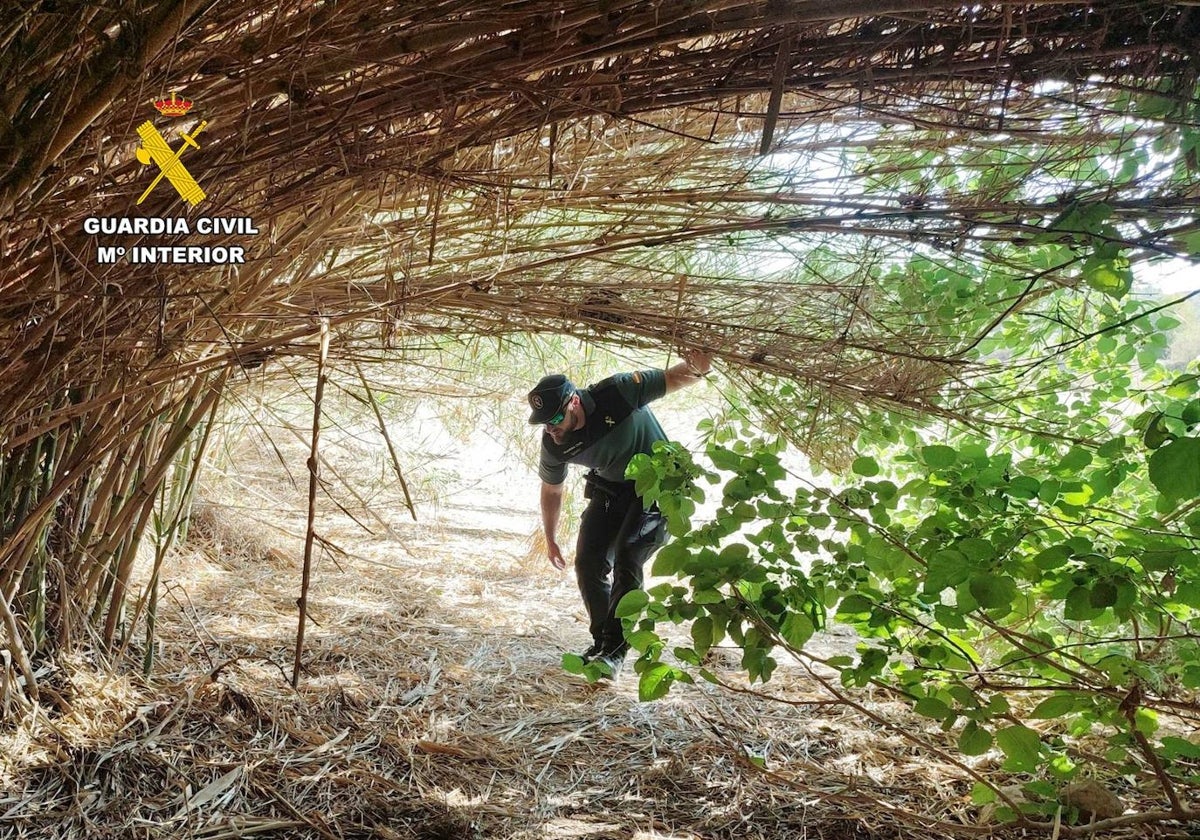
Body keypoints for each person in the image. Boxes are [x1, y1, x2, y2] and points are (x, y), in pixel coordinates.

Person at [527, 349, 713, 676]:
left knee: (629, 556)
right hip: (612, 488)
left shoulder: (619, 392)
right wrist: (551, 537)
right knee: (588, 563)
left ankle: (614, 650)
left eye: (555, 419)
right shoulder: (554, 444)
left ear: (574, 403)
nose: (551, 429)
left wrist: (700, 363)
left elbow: (676, 377)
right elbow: (552, 490)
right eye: (543, 424)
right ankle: (602, 643)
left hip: (660, 484)